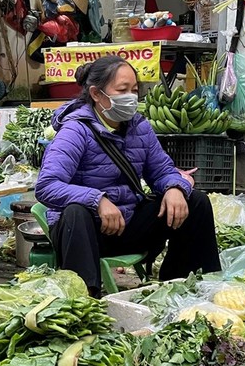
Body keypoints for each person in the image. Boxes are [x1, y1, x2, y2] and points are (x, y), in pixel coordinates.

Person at [35, 55, 220, 295]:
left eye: (134, 90)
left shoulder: (139, 127)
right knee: (75, 212)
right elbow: (47, 186)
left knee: (196, 202)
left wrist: (175, 188)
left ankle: (183, 287)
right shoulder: (76, 130)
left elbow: (162, 170)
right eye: (122, 90)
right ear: (96, 94)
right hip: (85, 234)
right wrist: (97, 200)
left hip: (126, 223)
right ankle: (85, 299)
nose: (131, 97)